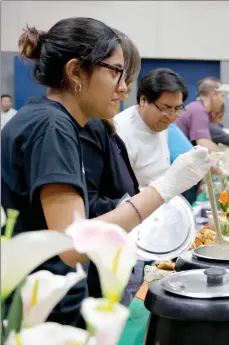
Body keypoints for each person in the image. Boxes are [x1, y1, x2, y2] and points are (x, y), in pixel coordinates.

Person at [1, 18, 211, 327]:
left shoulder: (56, 121)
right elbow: (72, 246)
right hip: (46, 311)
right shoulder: (51, 126)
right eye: (115, 72)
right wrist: (166, 187)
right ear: (75, 72)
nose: (124, 87)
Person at [79, 29, 142, 303]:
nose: (124, 89)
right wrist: (143, 203)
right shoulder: (88, 125)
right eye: (119, 76)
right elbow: (88, 206)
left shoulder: (103, 125)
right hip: (95, 272)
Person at [114, 68, 188, 189]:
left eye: (177, 109)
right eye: (165, 108)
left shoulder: (160, 123)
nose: (172, 116)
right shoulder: (121, 132)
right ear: (143, 100)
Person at [176, 77, 224, 152]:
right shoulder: (199, 111)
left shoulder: (196, 107)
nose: (222, 101)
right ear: (213, 96)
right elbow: (204, 144)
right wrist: (224, 155)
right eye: (222, 96)